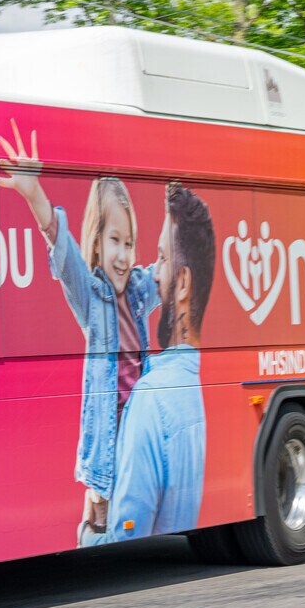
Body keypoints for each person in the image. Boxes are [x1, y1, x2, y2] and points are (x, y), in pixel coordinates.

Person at [0, 122, 159, 543]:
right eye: (114, 241)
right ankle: (92, 527)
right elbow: (63, 253)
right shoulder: (93, 297)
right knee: (103, 529)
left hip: (138, 440)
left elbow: (169, 269)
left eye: (130, 242)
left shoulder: (138, 291)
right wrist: (36, 197)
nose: (123, 255)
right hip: (108, 447)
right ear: (98, 243)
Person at [89, 181, 215, 545]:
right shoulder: (191, 386)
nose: (153, 273)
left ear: (182, 284)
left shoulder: (150, 400)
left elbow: (125, 538)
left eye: (161, 258)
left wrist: (88, 530)